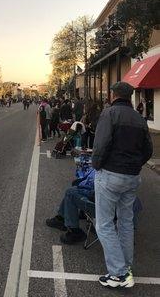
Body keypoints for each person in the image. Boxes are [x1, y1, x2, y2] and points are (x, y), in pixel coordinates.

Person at [92, 81, 153, 289]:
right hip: (132, 176)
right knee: (125, 223)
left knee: (105, 224)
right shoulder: (139, 118)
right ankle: (126, 268)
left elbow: (100, 144)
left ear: (113, 95)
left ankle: (118, 273)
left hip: (111, 173)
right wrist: (136, 164)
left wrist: (96, 165)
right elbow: (148, 149)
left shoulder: (109, 114)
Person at [46, 168, 95, 244]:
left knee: (71, 193)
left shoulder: (111, 170)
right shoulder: (116, 167)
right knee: (73, 190)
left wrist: (81, 185)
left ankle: (74, 231)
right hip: (108, 205)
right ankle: (62, 218)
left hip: (103, 208)